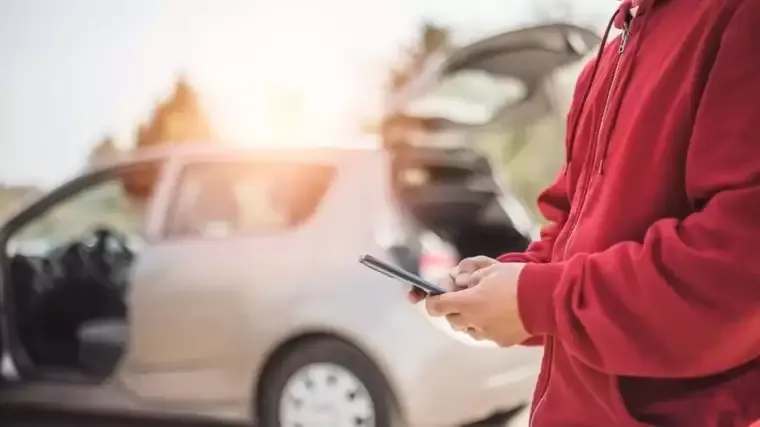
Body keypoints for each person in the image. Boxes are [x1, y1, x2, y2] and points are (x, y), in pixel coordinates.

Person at [408, 0, 760, 425]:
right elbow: (569, 234)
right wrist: (502, 285)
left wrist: (537, 300)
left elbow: (734, 274)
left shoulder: (741, 16)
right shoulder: (609, 58)